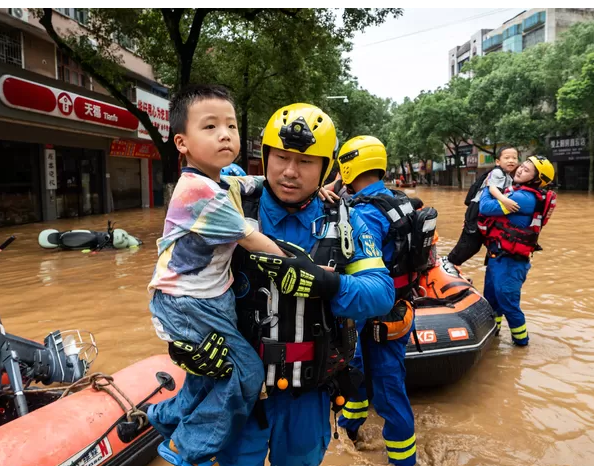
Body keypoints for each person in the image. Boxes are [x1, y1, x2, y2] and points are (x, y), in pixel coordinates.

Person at [165, 103, 395, 466]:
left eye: (305, 162)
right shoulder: (228, 201)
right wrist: (184, 346)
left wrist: (328, 284)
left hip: (308, 396)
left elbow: (381, 293)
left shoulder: (345, 221)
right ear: (265, 155)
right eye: (281, 157)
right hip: (239, 391)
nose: (290, 172)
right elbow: (176, 280)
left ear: (326, 167)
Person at [146, 84, 289, 466]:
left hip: (211, 295)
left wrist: (316, 184)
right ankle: (186, 447)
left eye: (231, 126)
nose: (225, 134)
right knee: (246, 372)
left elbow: (250, 183)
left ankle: (164, 417)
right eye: (210, 127)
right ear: (182, 142)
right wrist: (307, 270)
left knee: (209, 373)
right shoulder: (198, 191)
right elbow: (253, 239)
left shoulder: (221, 180)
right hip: (188, 300)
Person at [334, 136, 418, 466]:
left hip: (375, 315)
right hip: (400, 308)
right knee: (361, 374)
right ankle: (348, 427)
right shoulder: (401, 201)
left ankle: (403, 461)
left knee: (387, 392)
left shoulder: (364, 212)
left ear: (348, 165)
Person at [478, 156, 556, 346]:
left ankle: (521, 345)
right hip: (499, 257)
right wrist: (498, 192)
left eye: (527, 170)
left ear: (536, 180)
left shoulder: (524, 198)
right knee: (492, 301)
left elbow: (485, 207)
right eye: (523, 166)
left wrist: (490, 187)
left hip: (511, 262)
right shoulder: (518, 191)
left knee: (508, 304)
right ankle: (494, 336)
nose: (520, 170)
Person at [447, 146, 520, 267]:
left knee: (474, 243)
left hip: (481, 210)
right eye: (507, 158)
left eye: (514, 158)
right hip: (477, 208)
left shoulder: (507, 176)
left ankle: (452, 262)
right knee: (470, 243)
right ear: (498, 161)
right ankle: (450, 262)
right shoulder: (497, 172)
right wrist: (505, 200)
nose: (511, 160)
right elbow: (492, 188)